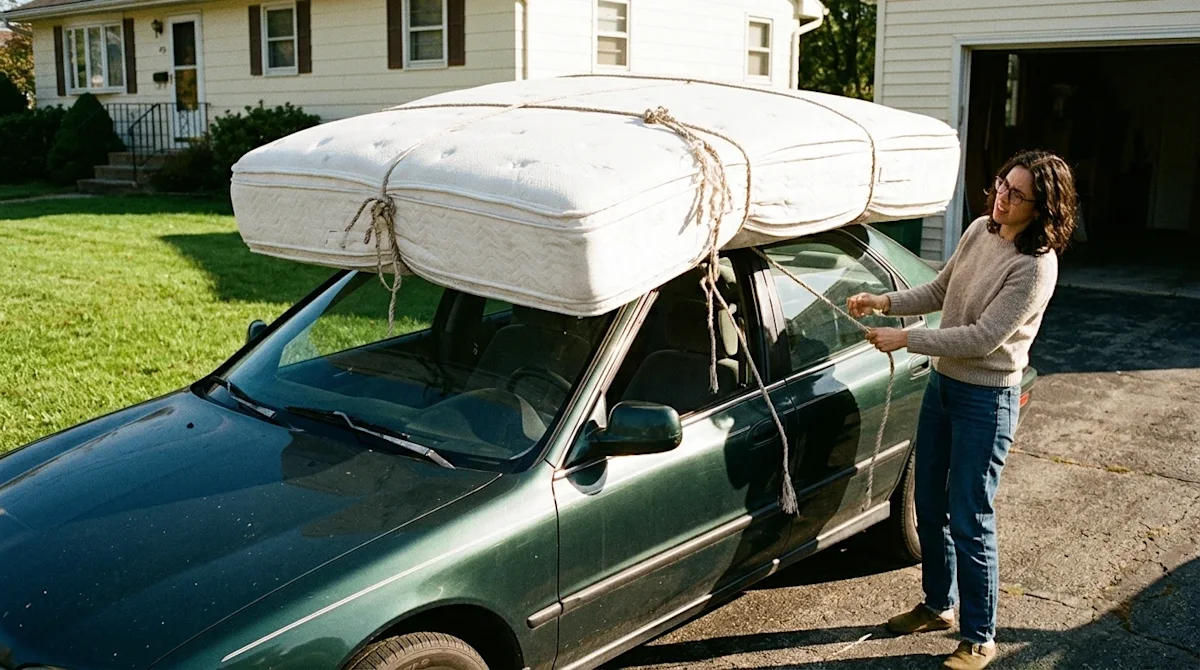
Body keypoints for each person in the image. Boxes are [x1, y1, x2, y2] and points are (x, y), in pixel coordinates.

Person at [847, 150, 1077, 670]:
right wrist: (882, 301)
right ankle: (937, 605)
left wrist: (906, 338)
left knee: (970, 517)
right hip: (943, 390)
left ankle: (979, 635)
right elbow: (939, 288)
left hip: (986, 401)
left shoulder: (1036, 265)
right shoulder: (979, 230)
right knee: (928, 501)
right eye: (1001, 184)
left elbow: (982, 338)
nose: (1002, 197)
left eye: (1017, 195)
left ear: (1042, 207)